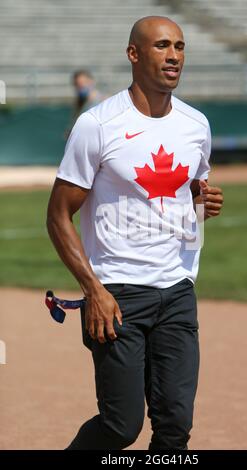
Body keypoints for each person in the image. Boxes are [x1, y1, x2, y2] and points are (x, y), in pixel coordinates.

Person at [47, 16, 224, 450]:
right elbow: (57, 216)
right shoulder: (98, 125)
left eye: (180, 47)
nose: (174, 56)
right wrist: (94, 289)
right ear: (134, 54)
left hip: (178, 291)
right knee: (120, 427)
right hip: (117, 294)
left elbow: (187, 191)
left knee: (174, 426)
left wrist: (200, 200)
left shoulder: (196, 125)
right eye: (163, 46)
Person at [65, 70, 104, 138]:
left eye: (84, 82)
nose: (81, 86)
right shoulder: (80, 105)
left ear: (91, 81)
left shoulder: (104, 102)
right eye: (78, 84)